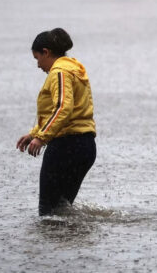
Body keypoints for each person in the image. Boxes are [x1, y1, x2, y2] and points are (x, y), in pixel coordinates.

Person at [16, 28, 97, 216]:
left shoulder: (59, 72)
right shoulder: (75, 69)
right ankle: (71, 244)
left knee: (47, 212)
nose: (38, 65)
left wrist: (42, 138)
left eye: (37, 58)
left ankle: (53, 245)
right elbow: (63, 110)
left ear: (46, 52)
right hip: (85, 147)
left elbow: (62, 108)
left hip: (66, 146)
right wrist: (34, 133)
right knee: (62, 210)